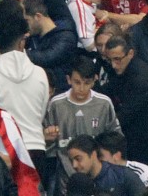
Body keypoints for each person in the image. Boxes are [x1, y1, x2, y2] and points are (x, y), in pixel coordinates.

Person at [44, 58, 121, 194]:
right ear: (69, 80)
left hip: (98, 178)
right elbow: (45, 144)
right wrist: (47, 137)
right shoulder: (56, 104)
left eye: (87, 83)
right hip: (65, 179)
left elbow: (116, 138)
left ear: (95, 80)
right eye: (77, 82)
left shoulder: (104, 104)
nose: (81, 88)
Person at [96, 33, 148, 167]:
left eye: (117, 59)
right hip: (135, 135)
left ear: (130, 54)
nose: (114, 65)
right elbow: (109, 89)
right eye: (110, 60)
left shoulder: (142, 80)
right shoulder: (124, 70)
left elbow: (125, 114)